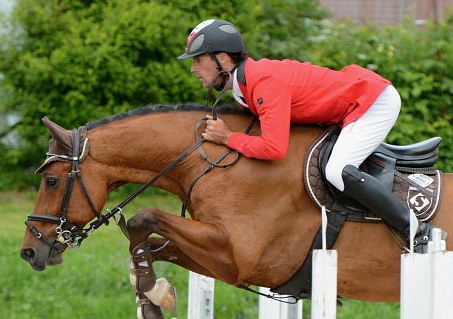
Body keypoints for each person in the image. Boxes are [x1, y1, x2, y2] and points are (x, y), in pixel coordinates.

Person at [178, 19, 431, 251]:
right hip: (351, 104)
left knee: (337, 170)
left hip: (373, 101)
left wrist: (227, 138)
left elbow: (274, 148)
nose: (193, 69)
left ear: (222, 58)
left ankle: (414, 228)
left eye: (198, 60)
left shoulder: (262, 82)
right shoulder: (240, 89)